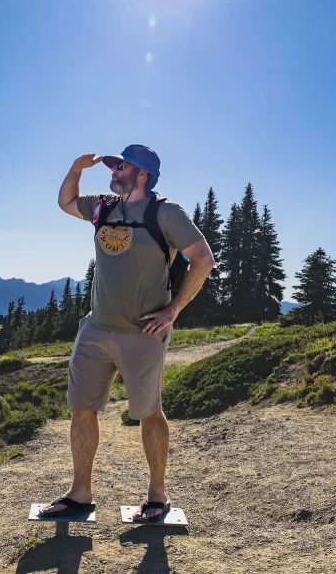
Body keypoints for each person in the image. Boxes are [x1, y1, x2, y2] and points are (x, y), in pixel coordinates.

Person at [40, 144, 216, 522]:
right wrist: (75, 169)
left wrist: (173, 310)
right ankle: (80, 493)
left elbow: (203, 258)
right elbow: (66, 202)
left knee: (149, 413)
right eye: (114, 166)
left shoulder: (164, 212)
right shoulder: (104, 205)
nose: (114, 171)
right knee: (81, 409)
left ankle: (157, 497)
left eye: (122, 167)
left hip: (142, 333)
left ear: (143, 175)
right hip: (95, 328)